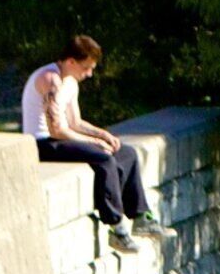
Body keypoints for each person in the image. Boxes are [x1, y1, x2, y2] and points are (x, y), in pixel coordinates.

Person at [25, 33, 168, 255]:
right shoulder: (49, 79)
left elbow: (75, 122)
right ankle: (117, 229)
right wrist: (95, 143)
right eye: (86, 68)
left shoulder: (70, 82)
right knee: (103, 158)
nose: (89, 74)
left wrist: (104, 135)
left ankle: (141, 217)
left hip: (60, 137)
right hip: (42, 143)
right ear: (71, 62)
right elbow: (56, 129)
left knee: (126, 152)